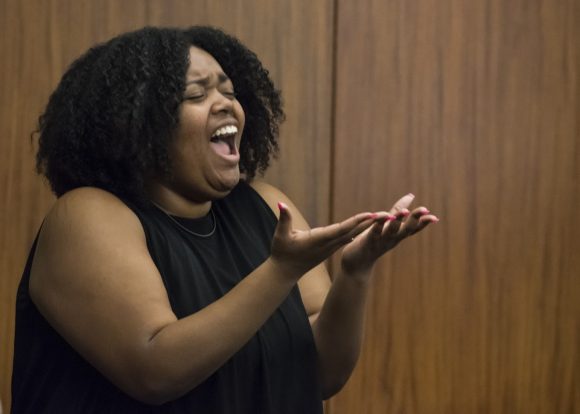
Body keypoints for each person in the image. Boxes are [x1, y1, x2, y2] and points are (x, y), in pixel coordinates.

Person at [11, 26, 438, 413]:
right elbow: (154, 369)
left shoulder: (267, 208)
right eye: (197, 95)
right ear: (136, 123)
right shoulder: (87, 216)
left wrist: (354, 273)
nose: (226, 105)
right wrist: (280, 271)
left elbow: (323, 372)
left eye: (230, 92)